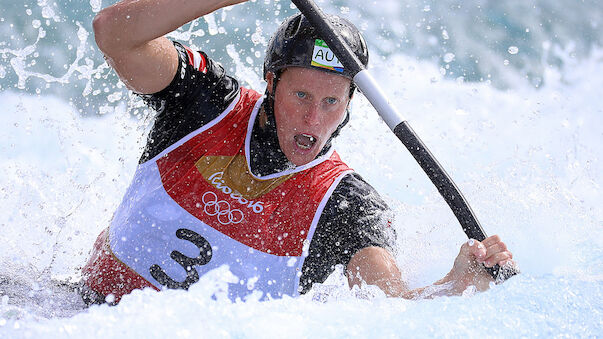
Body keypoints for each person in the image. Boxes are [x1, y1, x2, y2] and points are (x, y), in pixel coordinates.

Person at [82, 0, 515, 304]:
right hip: (78, 314)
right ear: (271, 82)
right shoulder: (205, 103)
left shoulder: (346, 205)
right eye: (302, 95)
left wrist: (458, 283)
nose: (313, 120)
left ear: (349, 105)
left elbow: (393, 307)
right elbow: (113, 34)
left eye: (331, 102)